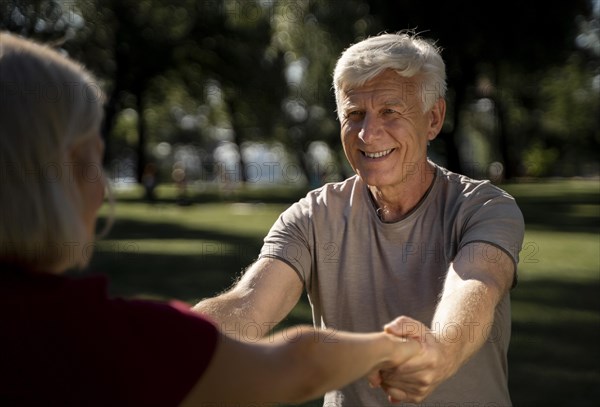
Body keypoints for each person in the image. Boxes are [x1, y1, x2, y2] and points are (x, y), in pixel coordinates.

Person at [0, 32, 421, 406]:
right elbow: (297, 366)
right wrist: (391, 348)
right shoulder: (102, 341)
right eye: (94, 162)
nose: (102, 189)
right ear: (59, 179)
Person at [194, 32, 525, 406]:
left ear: (433, 119)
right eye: (354, 114)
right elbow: (250, 303)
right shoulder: (312, 216)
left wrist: (441, 351)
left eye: (390, 111)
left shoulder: (484, 207)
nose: (368, 134)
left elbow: (477, 282)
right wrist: (172, 340)